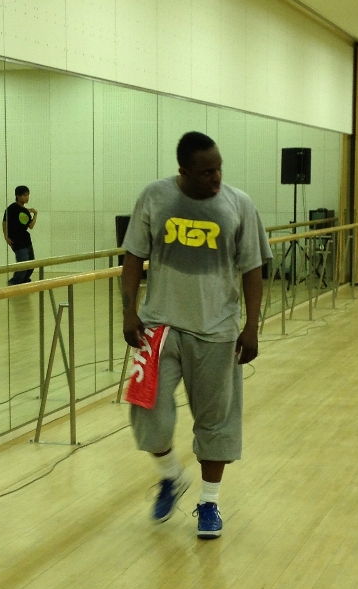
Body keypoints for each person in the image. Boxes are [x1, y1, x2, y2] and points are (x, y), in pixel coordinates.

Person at [121, 131, 272, 540]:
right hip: (159, 326)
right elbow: (133, 255)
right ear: (184, 171)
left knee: (216, 421)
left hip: (216, 330)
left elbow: (253, 269)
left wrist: (251, 327)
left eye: (219, 168)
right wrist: (129, 311)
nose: (216, 177)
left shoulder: (239, 204)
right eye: (206, 172)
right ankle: (171, 475)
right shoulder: (155, 197)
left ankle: (209, 502)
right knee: (147, 411)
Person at [2, 186, 38, 285]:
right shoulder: (12, 208)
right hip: (17, 241)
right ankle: (13, 283)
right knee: (23, 265)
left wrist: (35, 214)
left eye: (28, 195)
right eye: (24, 195)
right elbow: (4, 222)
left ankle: (24, 281)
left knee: (31, 265)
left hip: (26, 241)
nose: (27, 197)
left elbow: (31, 226)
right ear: (18, 196)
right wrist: (6, 237)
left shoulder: (26, 211)